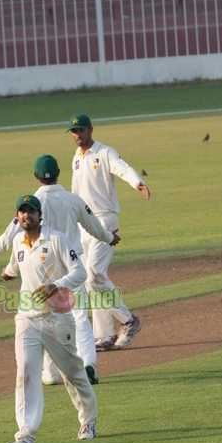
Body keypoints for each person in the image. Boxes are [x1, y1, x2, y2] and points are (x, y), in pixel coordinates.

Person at [0, 155, 120, 385]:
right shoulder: (73, 199)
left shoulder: (31, 204)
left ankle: (50, 374)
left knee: (46, 320)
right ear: (58, 172)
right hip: (71, 268)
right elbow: (94, 227)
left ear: (35, 176)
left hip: (42, 269)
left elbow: (10, 234)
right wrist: (109, 237)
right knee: (79, 318)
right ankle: (88, 364)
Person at [1, 194, 97, 443]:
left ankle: (88, 420)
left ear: (39, 215)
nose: (26, 216)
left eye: (31, 211)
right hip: (27, 319)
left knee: (72, 373)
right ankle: (26, 434)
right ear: (17, 216)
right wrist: (7, 273)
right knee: (26, 374)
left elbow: (80, 272)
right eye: (22, 212)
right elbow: (13, 266)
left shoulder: (56, 239)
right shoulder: (18, 244)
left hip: (57, 319)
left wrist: (56, 285)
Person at [68, 114, 151, 351]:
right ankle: (104, 335)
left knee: (94, 274)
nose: (77, 135)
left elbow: (122, 168)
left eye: (81, 130)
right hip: (84, 224)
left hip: (105, 220)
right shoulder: (77, 157)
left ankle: (129, 320)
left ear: (91, 130)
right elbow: (76, 193)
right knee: (89, 279)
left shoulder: (104, 152)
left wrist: (138, 183)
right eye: (74, 132)